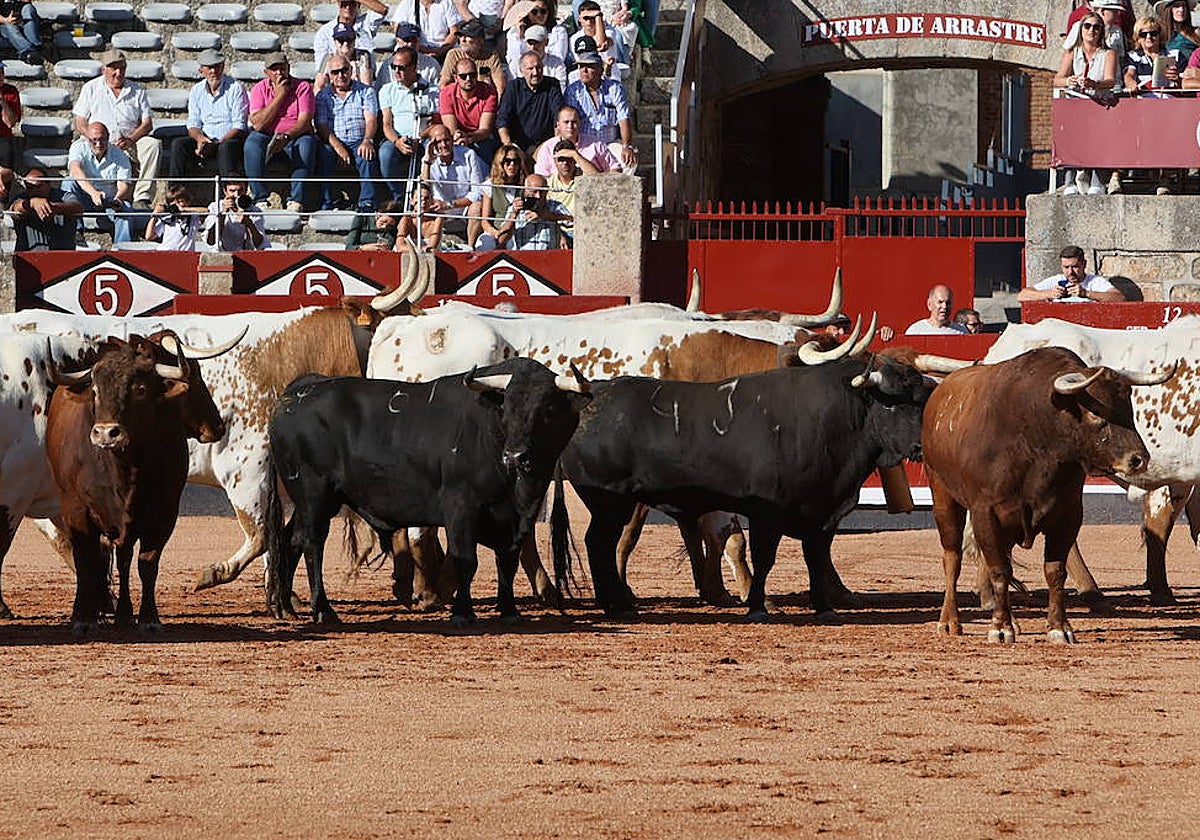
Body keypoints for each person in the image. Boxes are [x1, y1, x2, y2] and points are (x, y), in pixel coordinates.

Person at [73, 49, 160, 209]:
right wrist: (93, 138)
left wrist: (131, 139)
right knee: (77, 150)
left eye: (122, 68)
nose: (118, 72)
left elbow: (147, 123)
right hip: (98, 140)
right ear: (104, 69)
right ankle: (85, 194)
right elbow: (80, 122)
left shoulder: (138, 91)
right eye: (114, 68)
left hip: (129, 141)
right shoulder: (90, 88)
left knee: (152, 145)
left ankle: (142, 197)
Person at [1053, 12, 1118, 196]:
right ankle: (1070, 178)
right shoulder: (1073, 53)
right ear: (1081, 30)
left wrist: (1094, 84)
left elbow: (1110, 80)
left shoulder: (1108, 53)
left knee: (1098, 139)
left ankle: (1097, 178)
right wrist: (1069, 81)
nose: (1092, 30)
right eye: (1087, 26)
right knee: (1071, 137)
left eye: (1097, 27)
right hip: (1077, 104)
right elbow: (1057, 79)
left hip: (1099, 103)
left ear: (1101, 32)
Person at [244, 53, 317, 213]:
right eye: (274, 69)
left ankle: (296, 199)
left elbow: (304, 121)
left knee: (306, 145)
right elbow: (258, 124)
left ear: (288, 68)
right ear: (266, 72)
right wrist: (280, 95)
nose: (279, 72)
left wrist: (287, 136)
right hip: (267, 134)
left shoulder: (303, 87)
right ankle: (260, 198)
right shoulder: (259, 89)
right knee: (252, 143)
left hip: (295, 135)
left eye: (282, 68)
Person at [170, 50, 248, 190]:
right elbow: (193, 124)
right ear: (201, 71)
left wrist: (217, 143)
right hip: (206, 140)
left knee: (226, 148)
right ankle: (176, 194)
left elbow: (239, 126)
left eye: (217, 66)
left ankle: (228, 196)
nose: (213, 71)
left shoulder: (235, 88)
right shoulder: (196, 90)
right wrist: (201, 139)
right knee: (178, 145)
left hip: (228, 140)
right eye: (209, 67)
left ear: (223, 67)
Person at [1124, 15, 1182, 194]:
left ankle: (1164, 179)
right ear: (1137, 37)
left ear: (1160, 35)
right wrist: (1130, 83)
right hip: (1144, 108)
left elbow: (1187, 79)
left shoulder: (1174, 54)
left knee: (1167, 131)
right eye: (1144, 34)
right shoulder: (1133, 56)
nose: (1149, 38)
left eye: (1153, 33)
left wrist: (1177, 77)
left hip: (1167, 108)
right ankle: (1121, 176)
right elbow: (1129, 74)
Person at [315, 55, 381, 211]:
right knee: (324, 153)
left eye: (344, 70)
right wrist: (337, 146)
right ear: (329, 75)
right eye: (335, 72)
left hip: (359, 139)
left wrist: (367, 140)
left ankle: (367, 202)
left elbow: (371, 120)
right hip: (333, 140)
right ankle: (328, 201)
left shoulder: (366, 92)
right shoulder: (323, 96)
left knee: (367, 155)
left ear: (351, 70)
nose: (340, 75)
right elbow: (321, 125)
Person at [379, 46, 440, 203]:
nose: (397, 72)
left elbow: (436, 123)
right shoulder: (387, 90)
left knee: (435, 149)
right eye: (394, 67)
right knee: (386, 152)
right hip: (399, 138)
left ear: (414, 67)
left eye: (402, 68)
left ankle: (425, 196)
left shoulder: (433, 91)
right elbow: (386, 123)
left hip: (424, 137)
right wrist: (397, 141)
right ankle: (399, 198)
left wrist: (421, 136)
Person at [63, 121, 134, 245]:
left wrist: (118, 199)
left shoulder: (120, 155)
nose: (98, 144)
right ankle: (75, 233)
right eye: (93, 140)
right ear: (87, 139)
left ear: (108, 138)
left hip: (109, 201)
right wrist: (93, 193)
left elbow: (124, 184)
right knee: (69, 182)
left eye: (102, 140)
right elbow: (75, 169)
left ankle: (123, 248)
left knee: (126, 209)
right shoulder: (78, 147)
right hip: (83, 198)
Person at [563, 50, 635, 171]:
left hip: (609, 143)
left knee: (628, 162)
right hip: (585, 145)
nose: (584, 70)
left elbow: (624, 118)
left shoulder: (615, 88)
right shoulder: (572, 91)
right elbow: (570, 121)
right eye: (581, 66)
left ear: (600, 70)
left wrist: (626, 146)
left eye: (589, 66)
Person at [420, 122, 485, 246]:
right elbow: (424, 190)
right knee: (421, 205)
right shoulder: (427, 160)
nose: (443, 145)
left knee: (478, 206)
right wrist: (428, 162)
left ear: (452, 139)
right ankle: (430, 246)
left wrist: (450, 204)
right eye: (438, 142)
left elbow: (477, 192)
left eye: (446, 140)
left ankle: (470, 249)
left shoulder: (468, 154)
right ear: (431, 144)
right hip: (439, 210)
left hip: (464, 208)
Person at [496, 52, 562, 155]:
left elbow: (558, 117)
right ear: (521, 71)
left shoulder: (552, 85)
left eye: (538, 67)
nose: (535, 72)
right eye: (530, 69)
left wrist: (552, 145)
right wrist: (508, 145)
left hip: (544, 146)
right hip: (517, 146)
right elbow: (502, 118)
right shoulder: (513, 87)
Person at [313, 0, 387, 90]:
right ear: (338, 3)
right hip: (336, 84)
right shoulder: (324, 32)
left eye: (352, 3)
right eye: (344, 3)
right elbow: (321, 74)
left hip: (365, 80)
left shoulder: (366, 23)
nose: (348, 7)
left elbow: (382, 9)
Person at [439, 56, 499, 162]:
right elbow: (451, 129)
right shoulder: (446, 93)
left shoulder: (489, 92)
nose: (468, 79)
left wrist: (469, 137)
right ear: (455, 77)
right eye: (463, 76)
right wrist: (459, 136)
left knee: (485, 148)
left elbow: (485, 129)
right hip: (457, 137)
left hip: (481, 138)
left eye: (472, 75)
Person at [7, 167, 82, 251]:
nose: (35, 190)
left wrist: (54, 207)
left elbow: (77, 207)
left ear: (48, 184)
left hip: (62, 256)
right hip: (29, 257)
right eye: (30, 187)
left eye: (39, 186)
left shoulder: (63, 196)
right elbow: (14, 209)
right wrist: (32, 203)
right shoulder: (21, 197)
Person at [1017, 245, 1125, 302]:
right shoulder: (1056, 280)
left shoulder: (1095, 282)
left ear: (1084, 264)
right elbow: (1022, 296)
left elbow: (1120, 298)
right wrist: (1049, 294)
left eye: (1075, 267)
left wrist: (1086, 294)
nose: (1070, 272)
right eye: (1066, 267)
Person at [533, 104, 613, 176]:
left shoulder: (596, 144)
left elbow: (615, 169)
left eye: (574, 122)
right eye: (566, 122)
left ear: (580, 124)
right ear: (558, 125)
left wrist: (576, 156)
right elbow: (540, 177)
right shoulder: (548, 147)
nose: (570, 126)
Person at [476, 143, 530, 250]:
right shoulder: (490, 185)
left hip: (519, 230)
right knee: (485, 245)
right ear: (500, 163)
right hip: (496, 230)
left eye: (516, 161)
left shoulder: (526, 185)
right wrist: (495, 233)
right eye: (507, 161)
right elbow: (485, 221)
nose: (512, 165)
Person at [439, 18, 507, 98]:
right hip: (460, 101)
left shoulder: (491, 56)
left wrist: (496, 107)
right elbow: (444, 84)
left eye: (468, 36)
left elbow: (500, 87)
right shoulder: (453, 55)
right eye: (460, 36)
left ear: (481, 40)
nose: (463, 40)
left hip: (484, 100)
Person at [203, 176, 268, 251]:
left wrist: (249, 224)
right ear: (225, 191)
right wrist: (223, 214)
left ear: (246, 190)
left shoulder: (255, 210)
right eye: (232, 191)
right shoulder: (215, 207)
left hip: (246, 255)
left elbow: (259, 245)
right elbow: (211, 241)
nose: (236, 195)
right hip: (221, 255)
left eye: (240, 190)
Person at [506, 173, 568, 249]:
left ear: (547, 190)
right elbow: (501, 240)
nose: (538, 196)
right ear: (526, 191)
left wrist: (547, 216)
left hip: (549, 257)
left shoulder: (555, 206)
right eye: (534, 191)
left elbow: (572, 222)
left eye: (542, 191)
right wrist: (514, 214)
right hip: (522, 257)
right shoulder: (515, 208)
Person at [568, 1, 626, 79]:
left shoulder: (609, 31)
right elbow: (581, 61)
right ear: (579, 19)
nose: (589, 22)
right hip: (587, 76)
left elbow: (601, 43)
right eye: (586, 18)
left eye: (593, 18)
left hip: (609, 76)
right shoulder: (575, 38)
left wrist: (598, 16)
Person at [387, 0, 462, 59]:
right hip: (415, 49)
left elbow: (454, 32)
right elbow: (398, 31)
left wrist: (440, 51)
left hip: (443, 50)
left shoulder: (446, 3)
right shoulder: (408, 3)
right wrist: (422, 49)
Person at [315, 21, 376, 94]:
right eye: (341, 40)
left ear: (354, 40)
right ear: (335, 41)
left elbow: (366, 86)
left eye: (349, 39)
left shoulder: (363, 56)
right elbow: (318, 86)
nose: (345, 43)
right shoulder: (328, 58)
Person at [505, 0, 569, 67]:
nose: (539, 15)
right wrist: (520, 37)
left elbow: (559, 58)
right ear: (527, 13)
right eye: (534, 11)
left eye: (543, 11)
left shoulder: (558, 31)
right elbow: (513, 60)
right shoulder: (514, 32)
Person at [144, 183, 207, 250]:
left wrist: (184, 209)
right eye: (174, 203)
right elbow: (148, 236)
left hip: (184, 255)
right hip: (166, 253)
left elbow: (207, 211)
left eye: (180, 201)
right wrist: (154, 215)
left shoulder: (193, 218)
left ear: (187, 202)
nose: (177, 205)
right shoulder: (167, 218)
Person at [393, 22, 442, 86]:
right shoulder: (388, 65)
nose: (410, 44)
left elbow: (438, 90)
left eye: (414, 40)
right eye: (406, 40)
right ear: (397, 40)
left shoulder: (431, 64)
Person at [0, 62, 20, 203]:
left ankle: (3, 202)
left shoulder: (10, 91)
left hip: (3, 138)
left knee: (6, 151)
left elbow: (10, 122)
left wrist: (2, 102)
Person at [0, 0, 43, 64]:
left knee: (29, 8)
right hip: (4, 24)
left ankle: (36, 47)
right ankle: (29, 51)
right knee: (10, 27)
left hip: (21, 21)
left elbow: (27, 2)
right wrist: (6, 20)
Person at [1159, 0, 1199, 66]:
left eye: (1184, 6)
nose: (1181, 9)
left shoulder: (1196, 32)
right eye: (1176, 6)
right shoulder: (1160, 34)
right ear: (1169, 10)